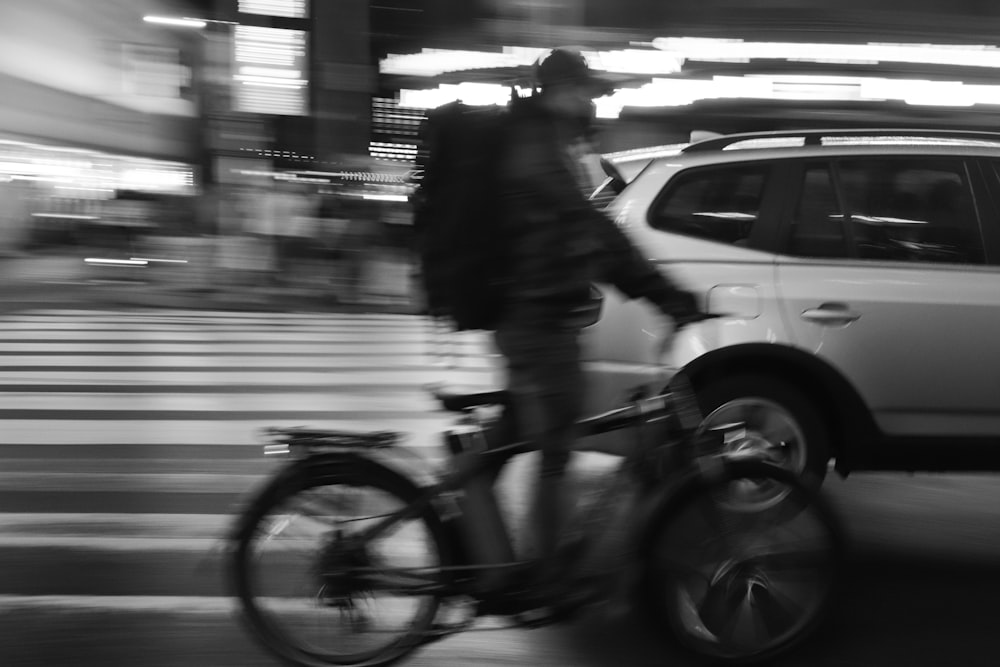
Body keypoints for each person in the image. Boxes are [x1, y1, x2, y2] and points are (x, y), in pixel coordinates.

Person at [493, 47, 702, 607]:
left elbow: (587, 240)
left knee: (514, 436)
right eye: (584, 92)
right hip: (536, 321)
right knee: (556, 447)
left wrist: (652, 290)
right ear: (560, 92)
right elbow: (591, 231)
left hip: (535, 316)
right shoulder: (539, 150)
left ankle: (487, 548)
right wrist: (664, 294)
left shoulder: (549, 146)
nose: (592, 103)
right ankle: (545, 577)